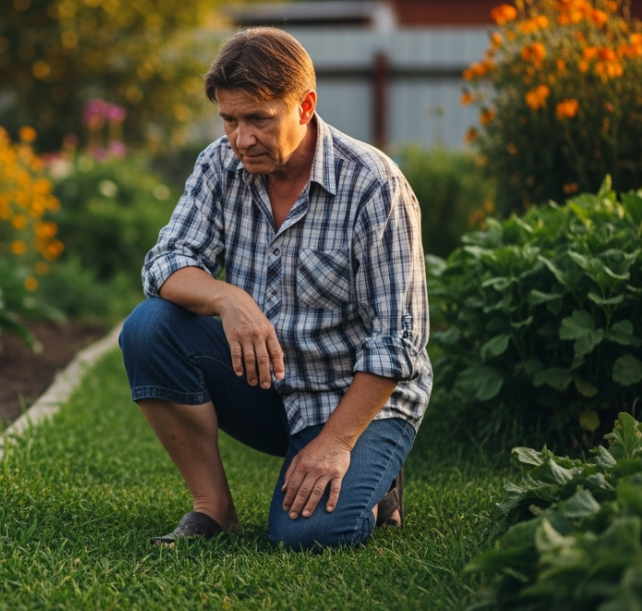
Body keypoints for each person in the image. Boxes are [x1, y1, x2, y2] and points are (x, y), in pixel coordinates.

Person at [120, 27, 432, 550]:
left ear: (305, 106)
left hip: (356, 398)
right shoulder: (219, 164)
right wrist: (229, 299)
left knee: (308, 536)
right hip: (269, 384)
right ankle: (212, 508)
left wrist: (336, 442)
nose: (241, 139)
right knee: (149, 328)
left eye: (258, 119)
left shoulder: (375, 185)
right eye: (229, 120)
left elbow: (397, 342)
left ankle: (378, 474)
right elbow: (165, 263)